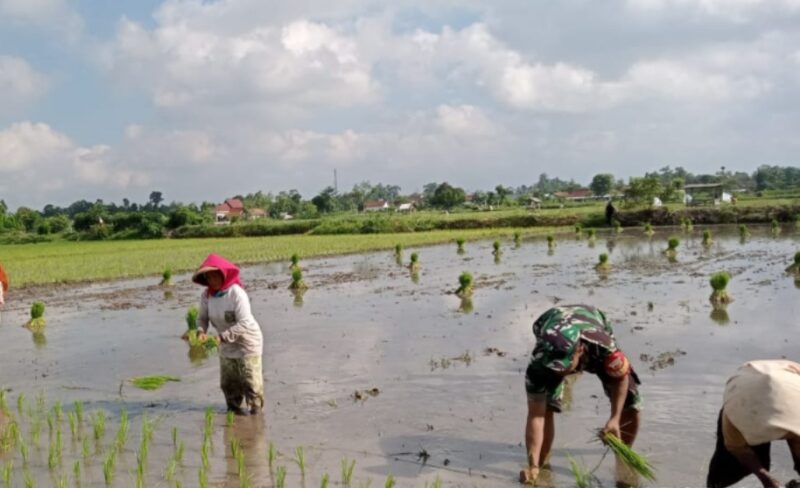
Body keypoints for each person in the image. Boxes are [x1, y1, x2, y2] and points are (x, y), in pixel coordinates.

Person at [521, 305, 642, 483]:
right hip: (549, 320)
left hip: (592, 320)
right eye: (556, 368)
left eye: (564, 366)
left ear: (579, 351)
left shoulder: (604, 346)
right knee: (546, 406)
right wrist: (532, 465)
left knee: (631, 402)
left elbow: (620, 379)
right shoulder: (539, 363)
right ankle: (541, 465)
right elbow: (536, 416)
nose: (561, 372)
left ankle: (623, 458)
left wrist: (615, 418)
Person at [189, 254, 264, 415]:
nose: (212, 280)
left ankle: (256, 418)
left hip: (247, 342)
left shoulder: (236, 293)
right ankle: (235, 414)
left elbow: (245, 322)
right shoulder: (206, 296)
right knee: (229, 383)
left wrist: (221, 337)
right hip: (225, 342)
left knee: (251, 383)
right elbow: (202, 318)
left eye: (215, 275)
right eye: (208, 277)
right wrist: (201, 331)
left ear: (223, 274)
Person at [707, 360, 800, 488]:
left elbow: (796, 440)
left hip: (789, 384)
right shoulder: (735, 414)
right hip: (745, 390)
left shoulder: (795, 412)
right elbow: (736, 448)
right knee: (723, 474)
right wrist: (765, 478)